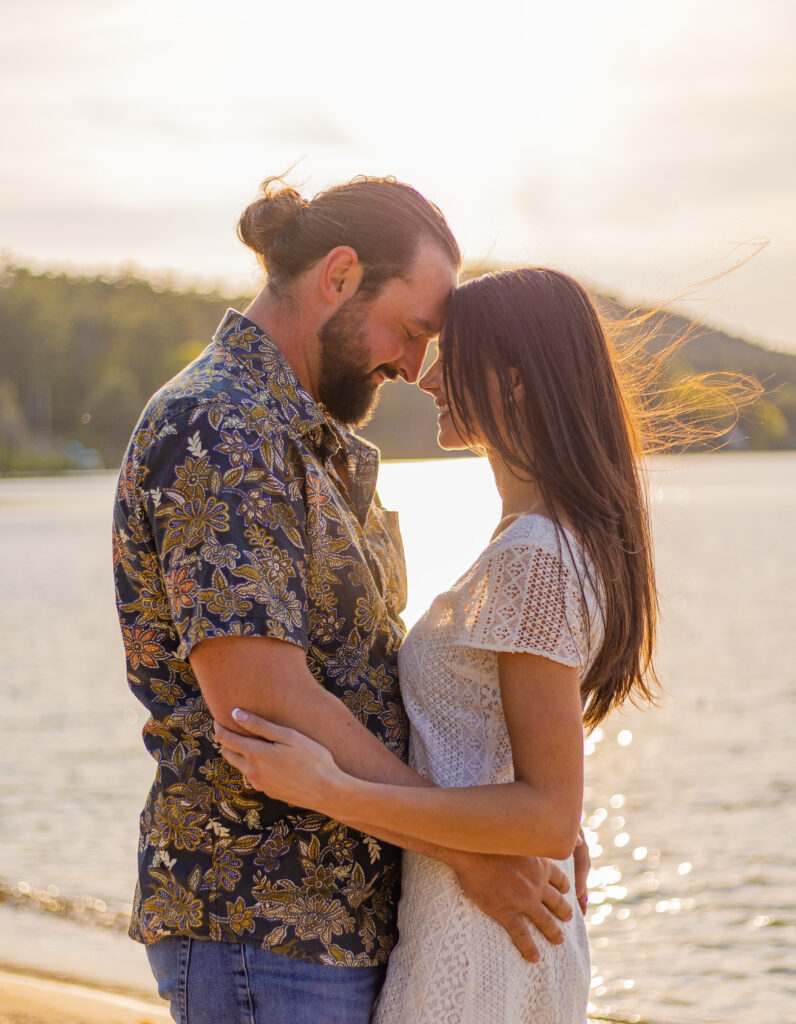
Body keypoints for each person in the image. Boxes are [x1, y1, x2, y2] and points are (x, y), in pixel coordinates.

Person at [113, 181, 587, 1024]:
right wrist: (467, 852)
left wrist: (509, 814)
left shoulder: (312, 442)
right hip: (263, 916)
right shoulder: (221, 428)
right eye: (413, 331)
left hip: (341, 921)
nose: (417, 367)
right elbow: (263, 702)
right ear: (338, 276)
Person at [215, 267, 660, 1023]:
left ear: (513, 380)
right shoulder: (544, 544)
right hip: (481, 929)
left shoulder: (536, 556)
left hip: (481, 949)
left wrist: (330, 789)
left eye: (451, 353)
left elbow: (548, 812)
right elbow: (515, 774)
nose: (425, 376)